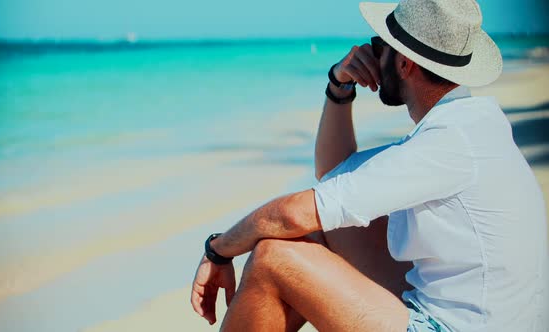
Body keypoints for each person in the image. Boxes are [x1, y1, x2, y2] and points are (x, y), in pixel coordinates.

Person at [190, 0, 548, 331]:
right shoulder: (470, 124)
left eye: (380, 45)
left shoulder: (445, 144)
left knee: (273, 258)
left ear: (404, 64)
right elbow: (333, 176)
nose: (372, 54)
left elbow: (294, 213)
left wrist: (217, 250)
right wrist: (339, 86)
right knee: (329, 230)